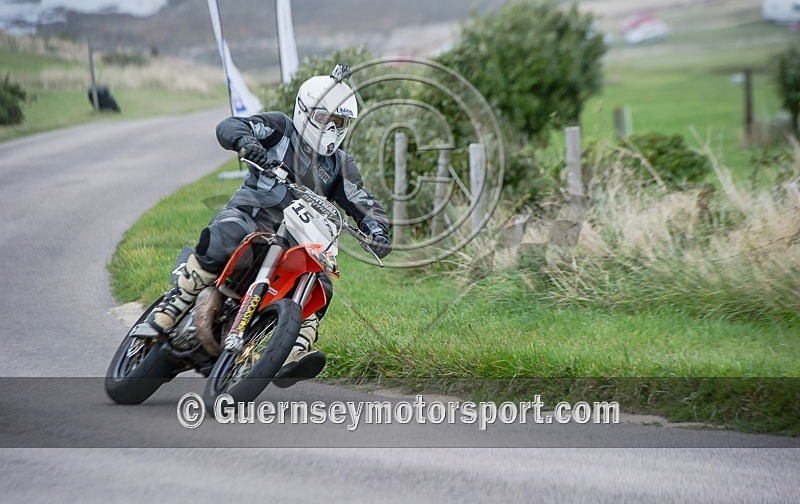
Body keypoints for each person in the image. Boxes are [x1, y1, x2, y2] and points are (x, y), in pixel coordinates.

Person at [133, 67, 391, 384]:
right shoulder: (280, 129)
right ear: (306, 111)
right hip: (253, 215)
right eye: (326, 119)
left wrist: (377, 229)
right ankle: (176, 304)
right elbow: (231, 126)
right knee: (230, 230)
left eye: (340, 123)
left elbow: (360, 198)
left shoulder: (341, 163)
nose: (333, 128)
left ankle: (294, 349)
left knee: (320, 283)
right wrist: (246, 142)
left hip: (298, 238)